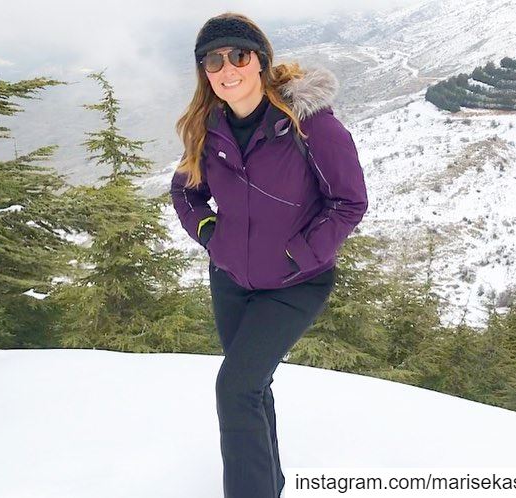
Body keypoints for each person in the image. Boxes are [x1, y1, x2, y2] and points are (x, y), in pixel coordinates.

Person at [169, 12, 369, 498]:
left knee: (234, 388)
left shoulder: (310, 127)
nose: (226, 68)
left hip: (295, 285)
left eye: (238, 55)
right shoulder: (207, 128)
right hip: (231, 280)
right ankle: (268, 483)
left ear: (260, 61)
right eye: (212, 60)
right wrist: (212, 235)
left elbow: (349, 202)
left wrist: (298, 255)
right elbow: (185, 193)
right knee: (253, 386)